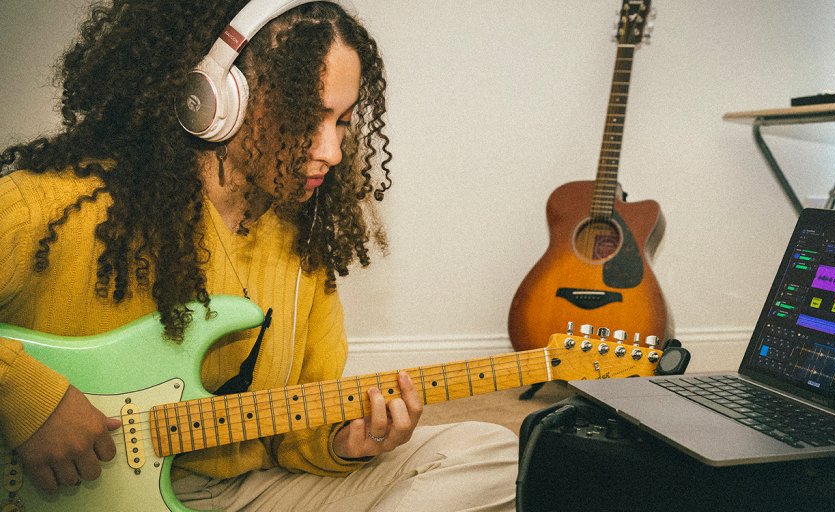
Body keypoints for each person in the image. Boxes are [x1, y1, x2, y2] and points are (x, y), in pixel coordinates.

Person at [0, 1, 518, 510]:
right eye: (306, 118)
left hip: (244, 490)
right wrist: (25, 395)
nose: (332, 151)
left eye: (342, 121)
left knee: (495, 453)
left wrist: (342, 444)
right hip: (75, 497)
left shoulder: (303, 241)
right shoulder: (49, 205)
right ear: (214, 102)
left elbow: (295, 432)